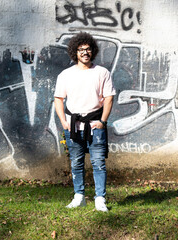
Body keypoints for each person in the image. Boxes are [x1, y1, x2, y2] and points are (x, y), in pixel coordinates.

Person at [54, 32, 115, 212]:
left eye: (88, 49)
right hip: (73, 126)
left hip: (96, 125)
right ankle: (79, 196)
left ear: (92, 51)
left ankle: (100, 199)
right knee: (76, 163)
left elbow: (109, 98)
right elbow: (58, 99)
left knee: (98, 163)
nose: (85, 52)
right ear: (75, 52)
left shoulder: (102, 72)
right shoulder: (65, 75)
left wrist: (103, 121)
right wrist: (64, 122)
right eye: (81, 50)